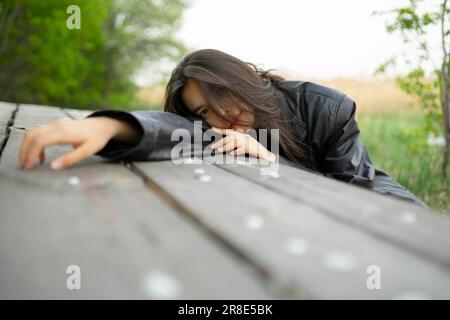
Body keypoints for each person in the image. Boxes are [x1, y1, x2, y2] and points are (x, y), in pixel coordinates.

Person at [17, 48, 429, 208]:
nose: (216, 117)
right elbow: (171, 128)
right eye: (202, 113)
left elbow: (359, 194)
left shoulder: (326, 107)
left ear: (240, 78)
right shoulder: (215, 128)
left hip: (396, 209)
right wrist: (110, 126)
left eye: (219, 96)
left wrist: (275, 162)